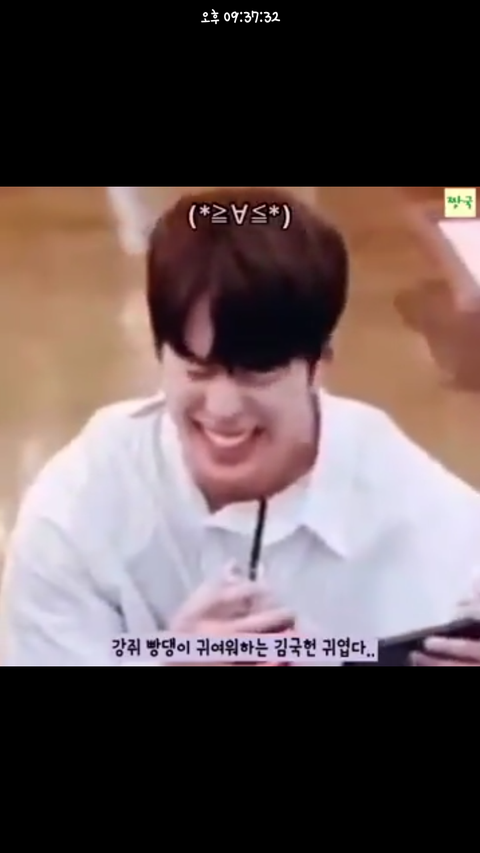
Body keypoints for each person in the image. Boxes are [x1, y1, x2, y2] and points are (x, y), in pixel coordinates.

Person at [2, 187, 480, 667]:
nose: (223, 408)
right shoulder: (79, 512)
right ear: (160, 353)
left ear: (319, 365)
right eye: (197, 370)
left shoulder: (428, 515)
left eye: (257, 372)